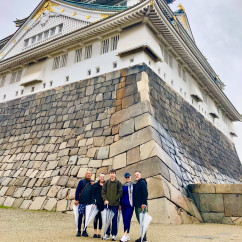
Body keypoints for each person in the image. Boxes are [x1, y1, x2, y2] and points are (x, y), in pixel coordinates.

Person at [102, 169, 123, 241]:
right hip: (107, 204)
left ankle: (114, 234)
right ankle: (107, 234)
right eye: (111, 173)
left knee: (114, 220)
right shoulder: (106, 183)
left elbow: (120, 193)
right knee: (107, 219)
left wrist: (115, 199)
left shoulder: (118, 183)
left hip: (115, 205)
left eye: (113, 173)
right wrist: (105, 200)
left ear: (115, 174)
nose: (112, 174)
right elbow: (103, 192)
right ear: (109, 174)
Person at [74, 170, 94, 237]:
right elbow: (77, 191)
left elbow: (93, 193)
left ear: (91, 175)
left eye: (89, 173)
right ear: (85, 174)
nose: (88, 174)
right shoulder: (81, 182)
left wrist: (93, 202)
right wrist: (77, 199)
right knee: (80, 216)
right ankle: (79, 230)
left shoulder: (92, 183)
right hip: (82, 202)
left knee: (86, 217)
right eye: (87, 173)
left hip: (88, 203)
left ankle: (85, 230)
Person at [120, 173, 135, 242]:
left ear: (131, 177)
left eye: (128, 177)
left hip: (130, 205)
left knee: (127, 218)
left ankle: (125, 235)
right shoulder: (123, 185)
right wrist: (120, 204)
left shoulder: (134, 185)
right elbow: (121, 195)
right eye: (126, 177)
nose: (127, 178)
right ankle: (127, 234)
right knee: (124, 219)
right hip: (123, 204)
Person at [133, 171, 148, 242]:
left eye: (137, 174)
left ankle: (143, 238)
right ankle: (143, 237)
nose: (136, 176)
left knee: (142, 221)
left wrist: (144, 203)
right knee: (141, 221)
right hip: (137, 205)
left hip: (141, 205)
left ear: (141, 175)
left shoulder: (142, 182)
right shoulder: (137, 183)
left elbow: (145, 192)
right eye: (135, 175)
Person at [92, 173, 105, 238]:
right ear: (99, 177)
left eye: (103, 177)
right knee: (95, 218)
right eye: (101, 177)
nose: (102, 178)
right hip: (96, 204)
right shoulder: (96, 185)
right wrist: (93, 202)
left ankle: (99, 232)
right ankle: (95, 232)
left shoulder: (106, 185)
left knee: (101, 218)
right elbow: (93, 194)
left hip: (103, 204)